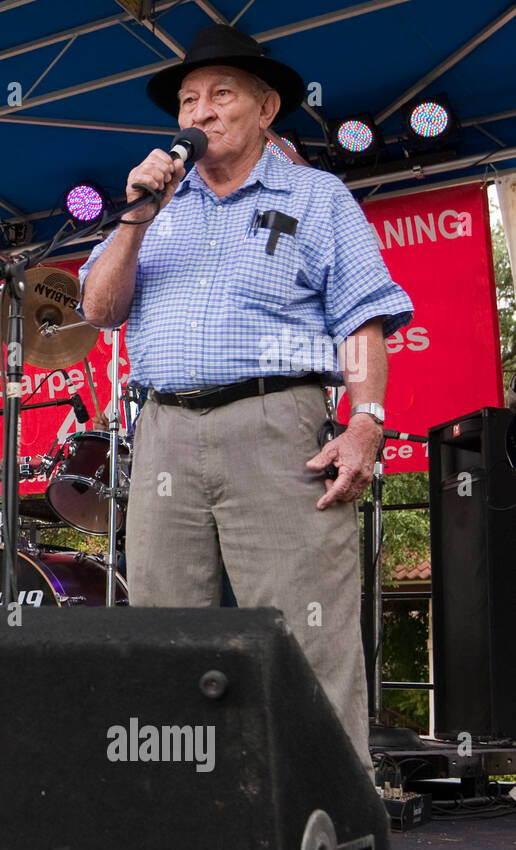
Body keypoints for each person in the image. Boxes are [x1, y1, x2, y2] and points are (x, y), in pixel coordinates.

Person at [79, 24, 413, 774]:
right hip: (162, 428)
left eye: (221, 93)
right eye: (188, 99)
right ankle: (182, 829)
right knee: (165, 642)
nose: (201, 111)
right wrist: (136, 213)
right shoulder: (154, 206)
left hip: (277, 426)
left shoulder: (317, 195)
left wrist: (367, 421)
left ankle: (331, 834)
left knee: (306, 636)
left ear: (266, 109)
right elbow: (99, 308)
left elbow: (362, 316)